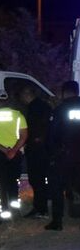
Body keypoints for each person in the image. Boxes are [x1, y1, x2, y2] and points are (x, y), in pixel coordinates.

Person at [0, 100, 28, 223]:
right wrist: (13, 150)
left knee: (1, 184)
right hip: (15, 153)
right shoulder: (17, 115)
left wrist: (3, 150)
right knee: (13, 182)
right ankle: (16, 212)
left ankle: (4, 213)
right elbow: (24, 135)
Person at [46, 81, 80, 230]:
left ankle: (57, 222)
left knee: (57, 187)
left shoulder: (60, 110)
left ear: (64, 92)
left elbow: (52, 135)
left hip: (64, 155)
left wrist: (52, 155)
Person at [20, 86, 52, 219]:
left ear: (28, 94)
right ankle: (40, 207)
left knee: (37, 179)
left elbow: (35, 128)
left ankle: (41, 209)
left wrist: (34, 140)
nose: (22, 99)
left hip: (37, 149)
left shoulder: (35, 107)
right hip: (43, 148)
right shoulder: (43, 106)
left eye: (23, 96)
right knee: (38, 179)